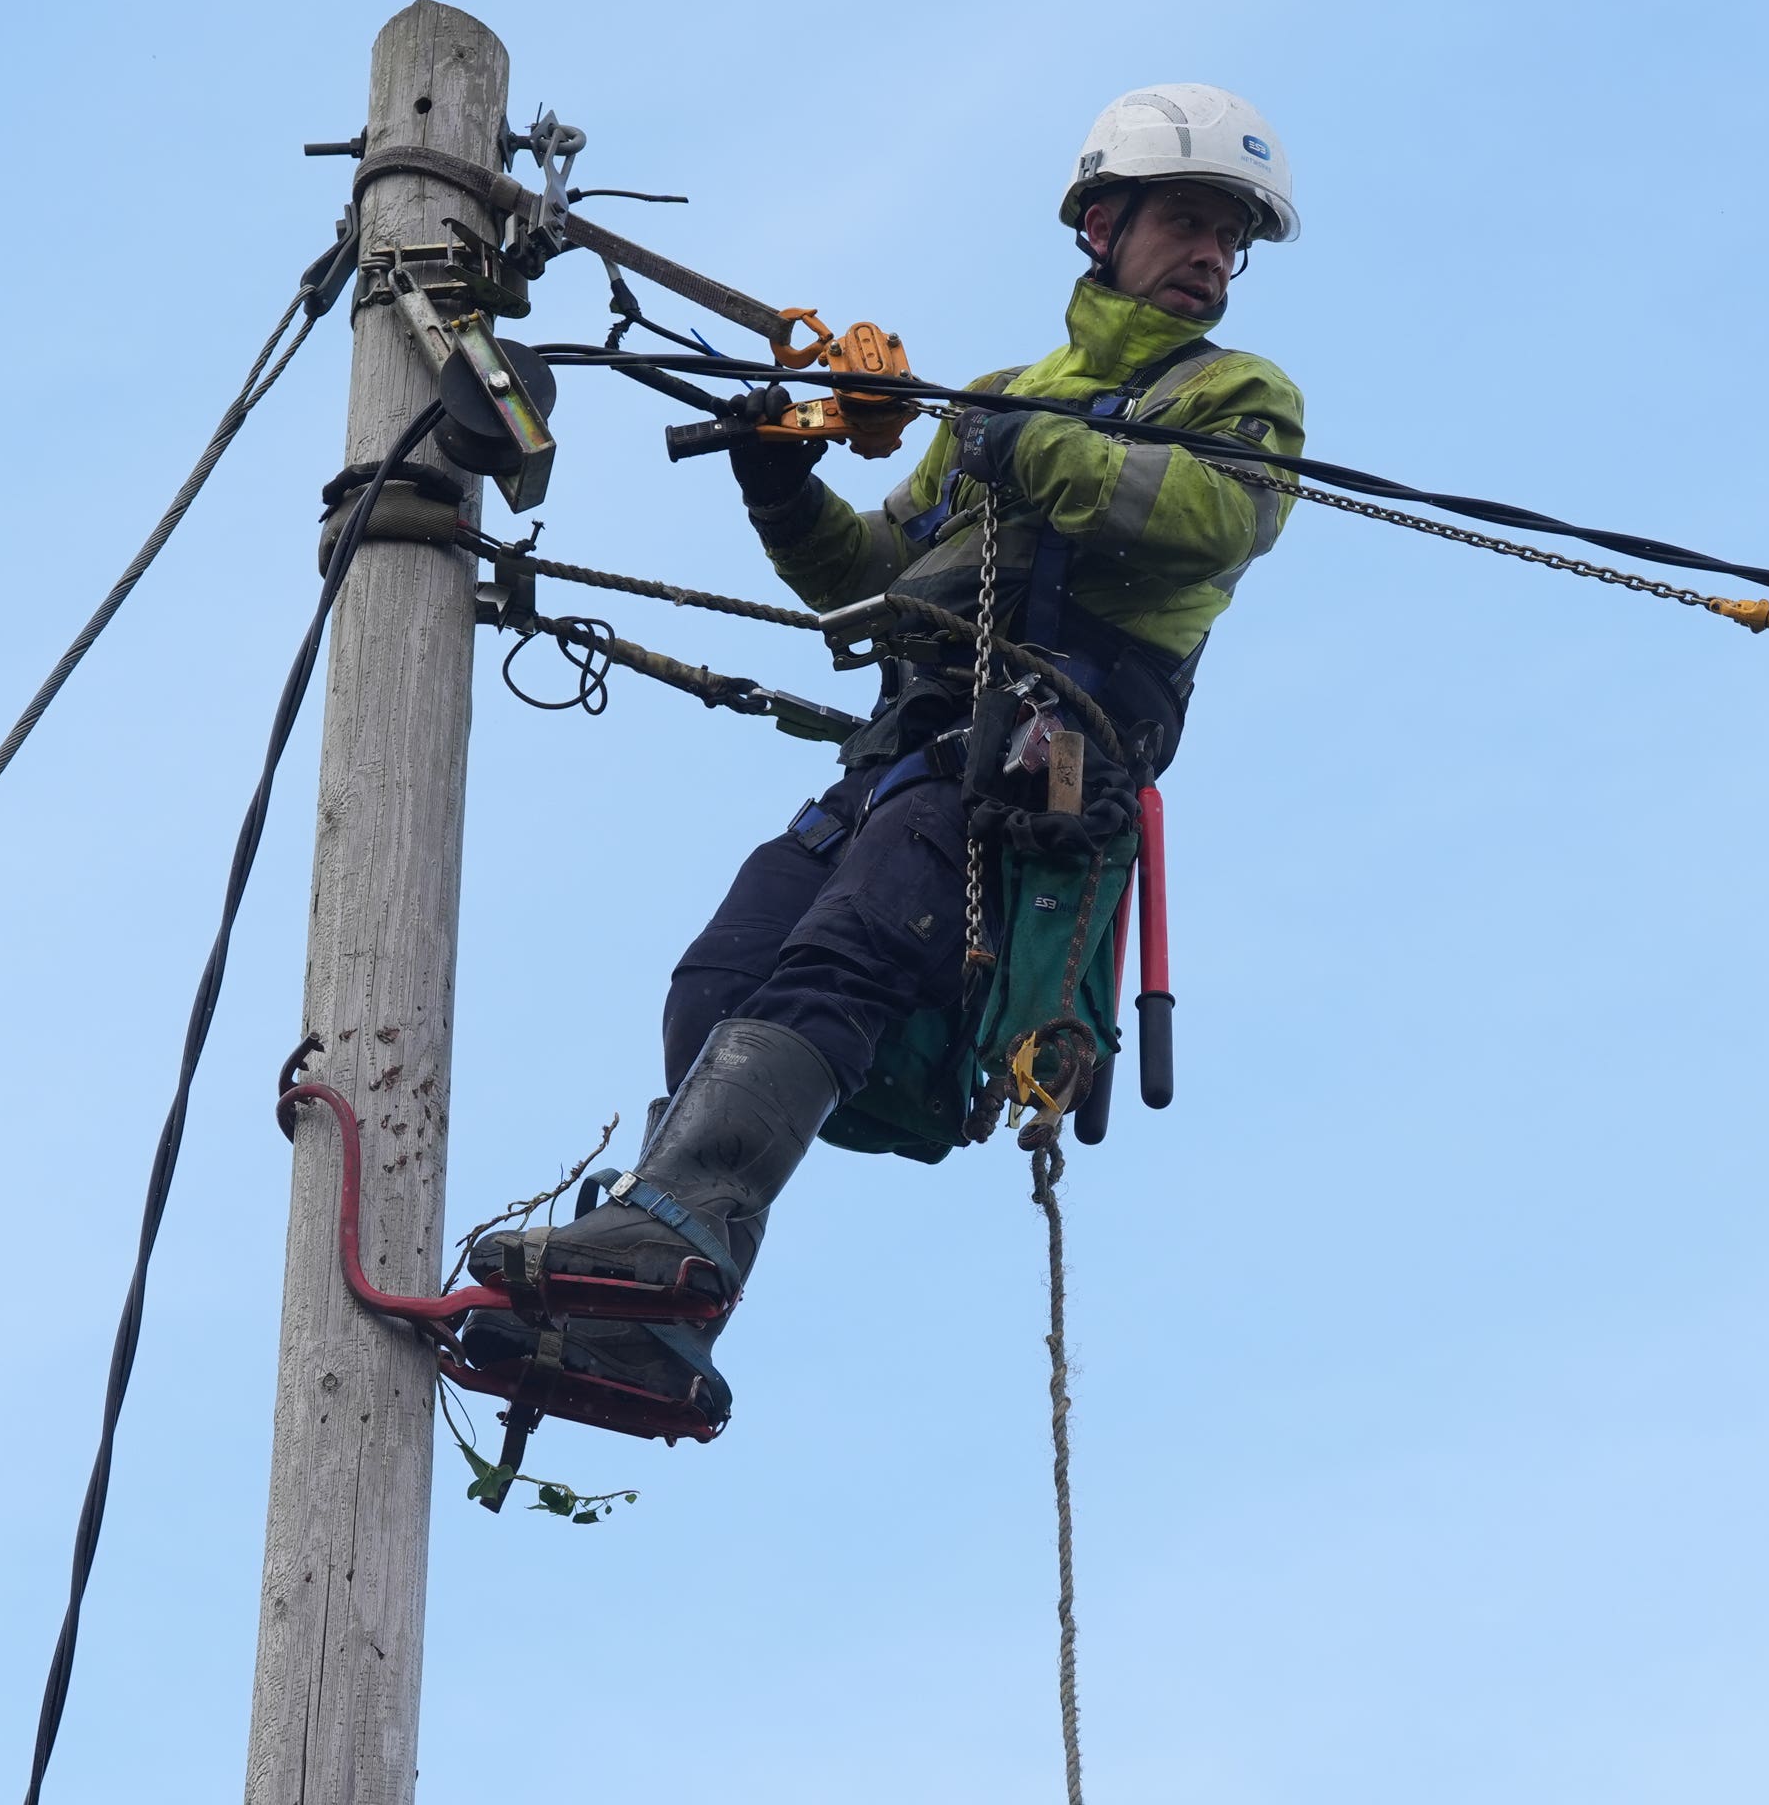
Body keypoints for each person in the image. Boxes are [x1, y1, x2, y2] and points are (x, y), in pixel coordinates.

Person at [460, 85, 1308, 1429]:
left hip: (1043, 755)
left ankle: (670, 1239)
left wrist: (1019, 444)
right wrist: (777, 482)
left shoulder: (1234, 398)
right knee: (721, 980)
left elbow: (1206, 518)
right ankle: (659, 1307)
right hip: (910, 749)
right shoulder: (995, 401)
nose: (1211, 256)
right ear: (1102, 224)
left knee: (850, 956)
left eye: (1228, 237)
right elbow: (867, 587)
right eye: (1188, 223)